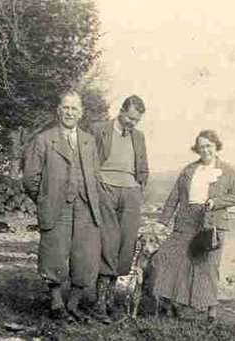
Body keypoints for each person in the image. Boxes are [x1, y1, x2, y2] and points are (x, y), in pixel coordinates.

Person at [22, 91, 103, 323]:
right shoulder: (44, 140)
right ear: (58, 110)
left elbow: (95, 175)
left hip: (85, 207)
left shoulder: (88, 141)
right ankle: (56, 303)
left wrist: (91, 197)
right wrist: (46, 198)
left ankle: (74, 304)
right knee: (54, 254)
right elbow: (30, 178)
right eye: (66, 108)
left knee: (84, 256)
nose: (69, 112)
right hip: (57, 207)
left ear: (81, 113)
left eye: (74, 109)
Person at [153, 129, 235, 322]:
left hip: (211, 222)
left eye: (208, 146)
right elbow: (174, 197)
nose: (205, 150)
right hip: (186, 220)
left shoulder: (227, 170)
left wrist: (215, 202)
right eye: (201, 147)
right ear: (197, 149)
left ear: (216, 146)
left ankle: (210, 311)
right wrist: (162, 222)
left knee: (208, 266)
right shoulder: (189, 170)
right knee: (170, 258)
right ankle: (168, 304)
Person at [90, 95, 149, 323]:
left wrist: (139, 187)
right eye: (130, 117)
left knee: (126, 246)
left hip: (131, 192)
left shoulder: (139, 136)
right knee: (108, 243)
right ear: (121, 111)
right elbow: (88, 161)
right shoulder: (99, 130)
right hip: (105, 188)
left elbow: (143, 167)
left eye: (137, 120)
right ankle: (99, 304)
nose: (132, 123)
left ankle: (111, 301)